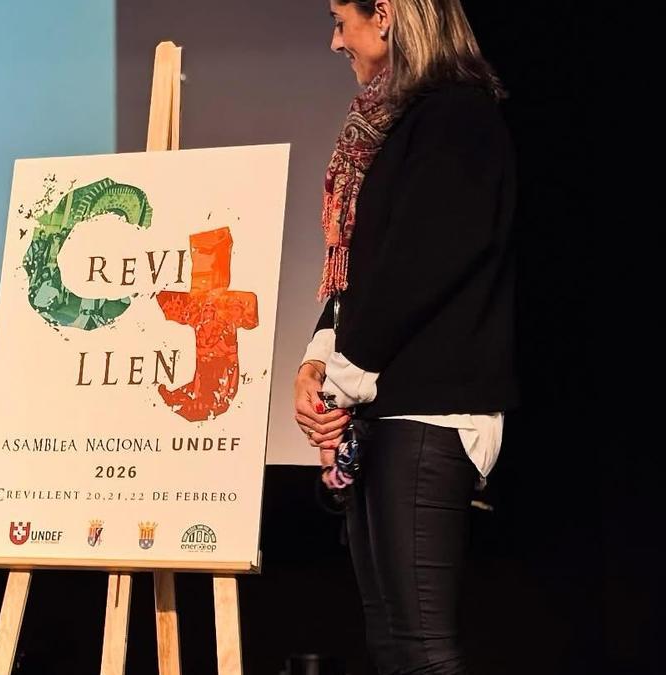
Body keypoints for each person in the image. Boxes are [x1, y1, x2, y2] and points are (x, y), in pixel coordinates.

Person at [291, 1, 517, 673]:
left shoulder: (458, 117)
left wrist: (341, 380)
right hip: (388, 414)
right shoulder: (396, 127)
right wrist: (316, 358)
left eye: (340, 20)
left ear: (385, 15)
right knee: (393, 644)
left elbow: (417, 264)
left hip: (431, 413)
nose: (336, 41)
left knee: (421, 653)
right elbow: (361, 270)